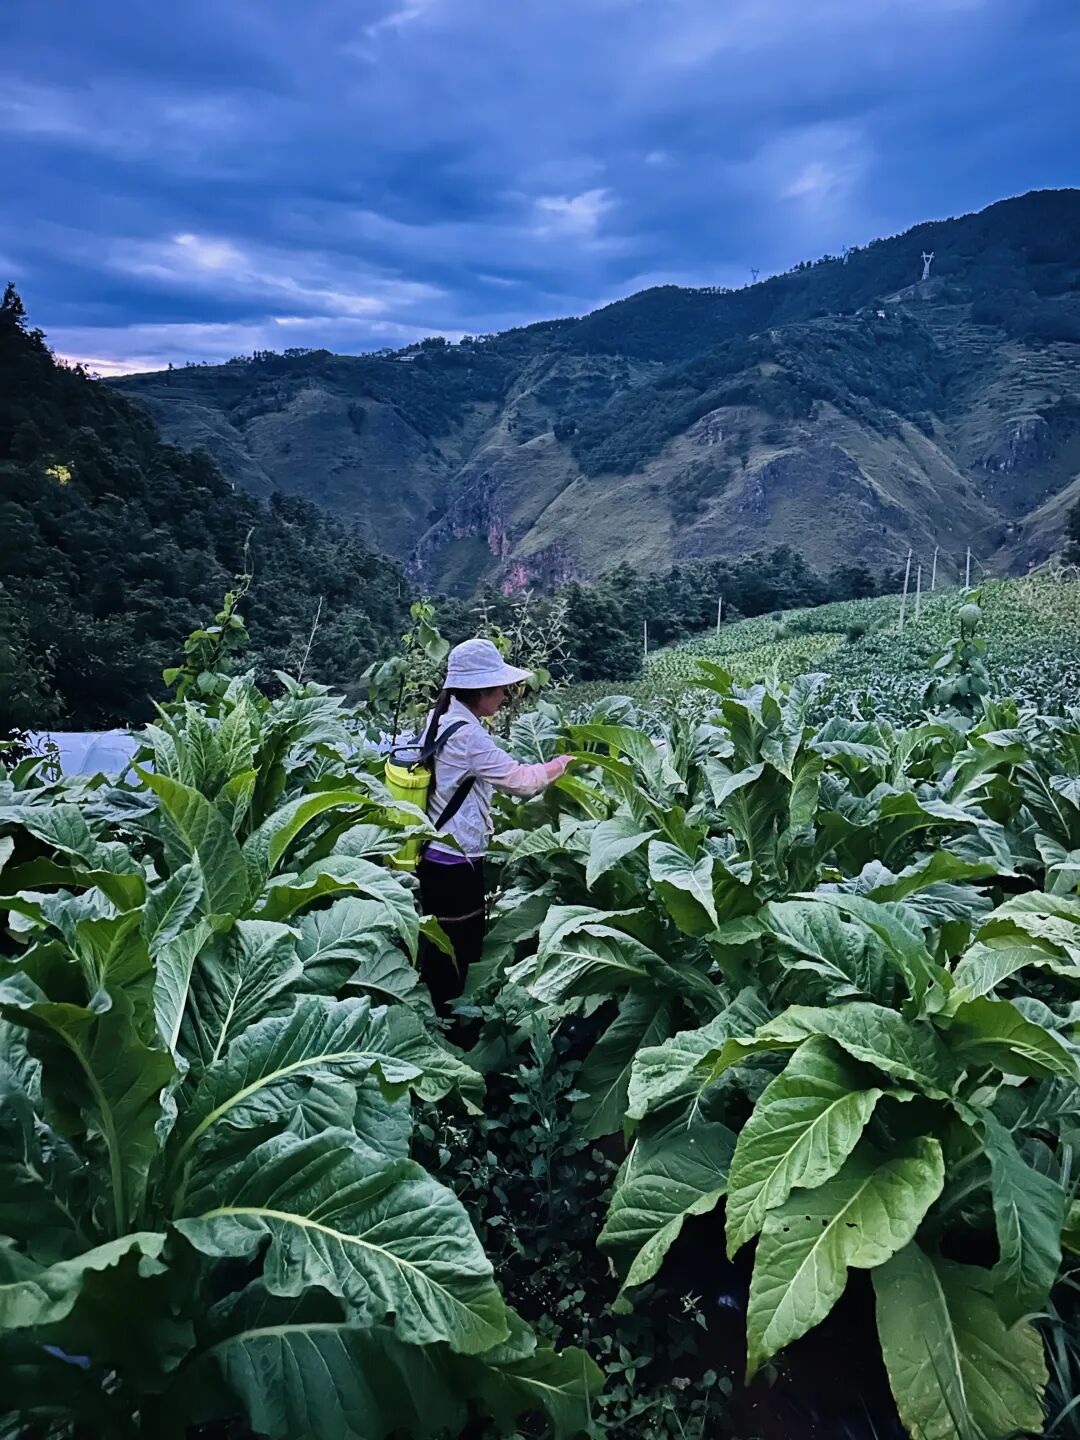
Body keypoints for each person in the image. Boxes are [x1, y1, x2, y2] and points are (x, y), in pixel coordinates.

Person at [416, 637, 573, 1014]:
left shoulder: (441, 719)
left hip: (434, 853)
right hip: (457, 861)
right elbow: (522, 781)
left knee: (441, 941)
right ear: (479, 691)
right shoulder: (468, 735)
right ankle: (453, 1024)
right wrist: (562, 764)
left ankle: (440, 1011)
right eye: (500, 688)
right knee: (460, 945)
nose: (505, 694)